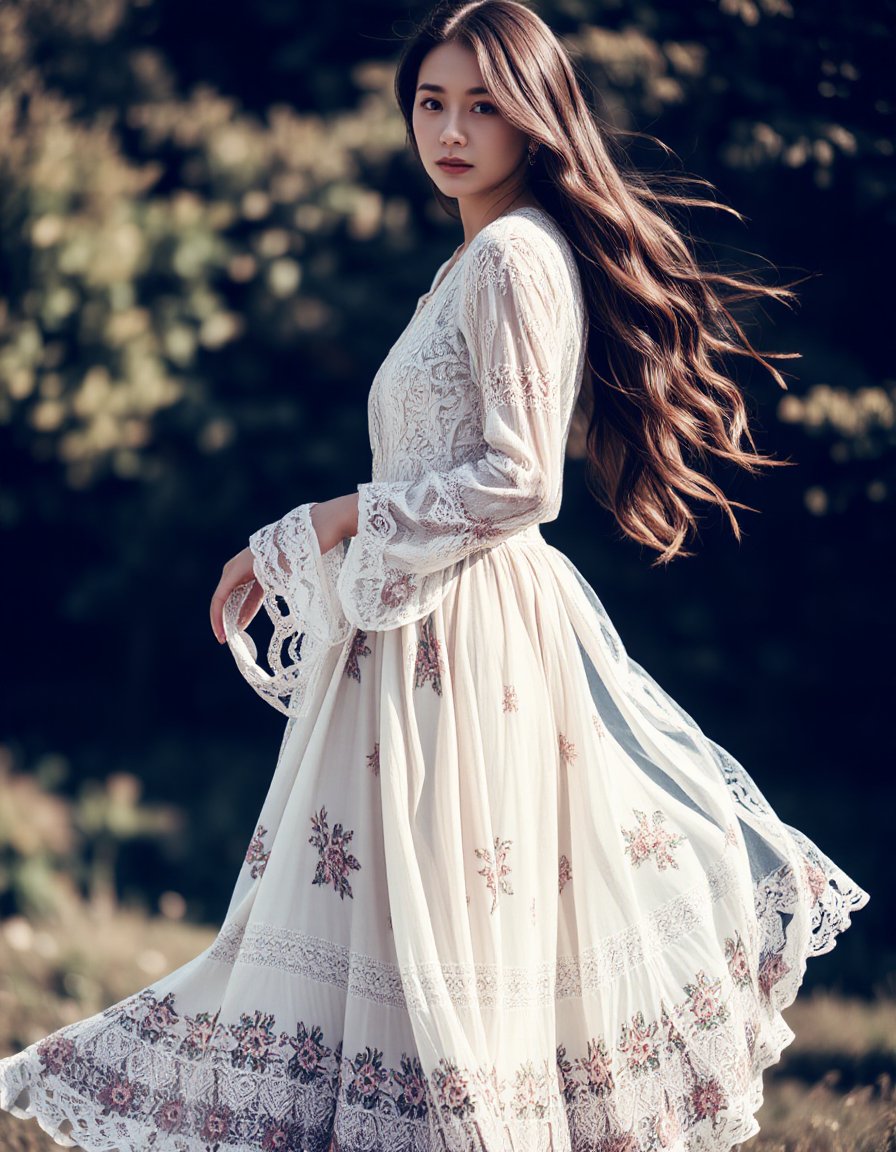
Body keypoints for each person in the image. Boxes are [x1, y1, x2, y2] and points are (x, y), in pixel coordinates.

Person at [0, 1, 870, 1150]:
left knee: (440, 952)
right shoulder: (472, 256)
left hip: (461, 642)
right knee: (385, 945)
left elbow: (519, 480)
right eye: (430, 101)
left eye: (481, 104)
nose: (449, 129)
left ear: (533, 118)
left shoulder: (511, 254)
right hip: (417, 629)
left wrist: (324, 519)